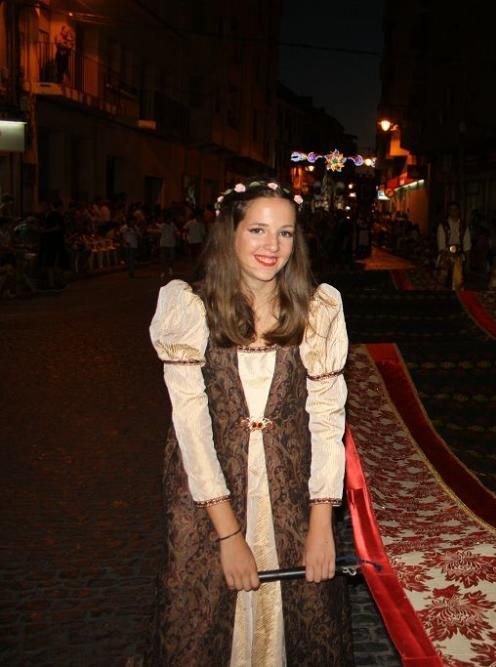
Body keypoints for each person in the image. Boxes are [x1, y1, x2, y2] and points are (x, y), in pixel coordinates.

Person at [148, 180, 351, 664]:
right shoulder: (191, 307)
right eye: (258, 229)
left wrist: (322, 521)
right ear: (230, 233)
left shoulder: (317, 309)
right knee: (203, 620)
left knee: (303, 619)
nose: (272, 246)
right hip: (209, 492)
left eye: (285, 233)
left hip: (290, 488)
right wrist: (229, 534)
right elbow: (191, 430)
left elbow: (327, 421)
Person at [436, 201, 471, 289]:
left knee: (458, 281)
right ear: (448, 211)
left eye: (455, 209)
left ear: (459, 211)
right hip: (445, 256)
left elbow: (467, 246)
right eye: (451, 210)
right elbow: (441, 246)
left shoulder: (463, 227)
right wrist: (445, 259)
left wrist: (467, 262)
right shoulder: (443, 226)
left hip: (459, 257)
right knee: (442, 281)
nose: (453, 212)